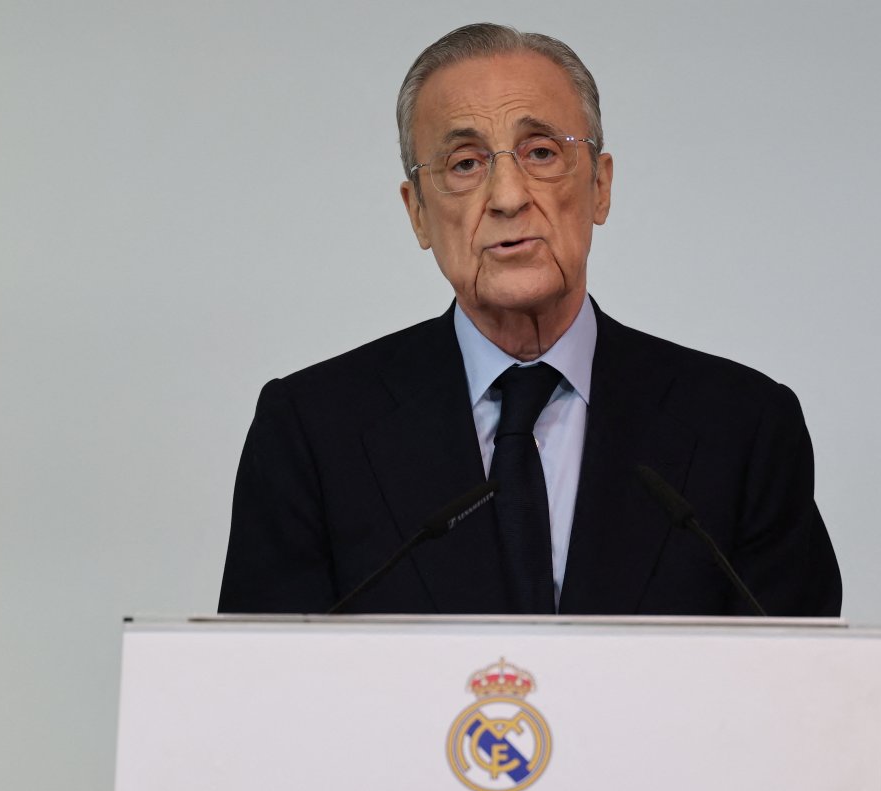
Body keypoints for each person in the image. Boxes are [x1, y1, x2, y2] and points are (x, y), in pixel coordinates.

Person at [218, 23, 842, 616]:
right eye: (464, 164)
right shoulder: (312, 433)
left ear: (600, 185)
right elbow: (259, 694)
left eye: (541, 152)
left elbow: (800, 696)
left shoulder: (744, 430)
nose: (509, 197)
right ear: (417, 214)